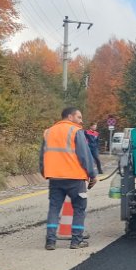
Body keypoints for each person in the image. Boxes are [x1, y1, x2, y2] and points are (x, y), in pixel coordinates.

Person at [39, 107, 97, 250]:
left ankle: (50, 241)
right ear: (70, 117)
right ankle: (76, 241)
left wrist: (44, 172)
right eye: (79, 117)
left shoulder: (49, 132)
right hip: (75, 178)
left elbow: (42, 156)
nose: (81, 121)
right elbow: (85, 155)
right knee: (79, 208)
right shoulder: (76, 131)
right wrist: (92, 175)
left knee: (54, 208)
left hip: (55, 178)